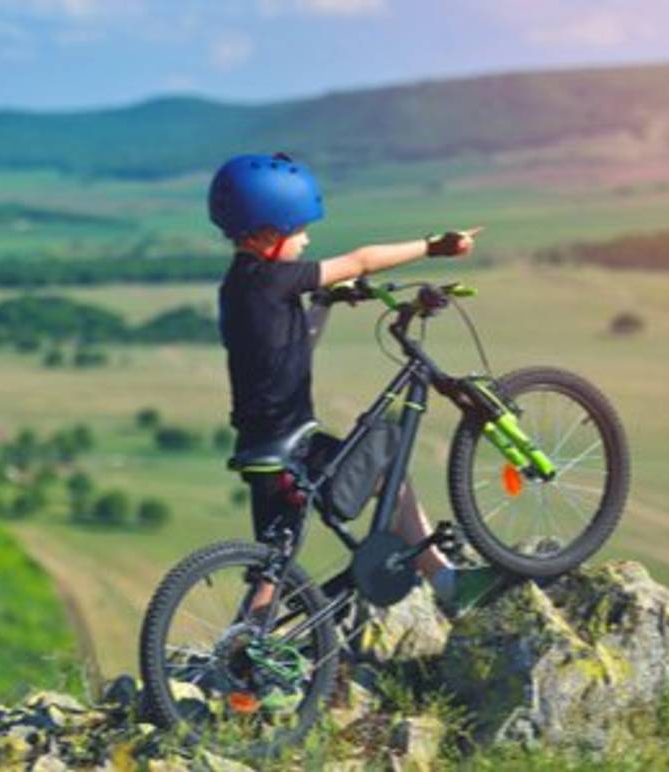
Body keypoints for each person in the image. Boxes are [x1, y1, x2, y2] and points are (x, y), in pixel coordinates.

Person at [210, 152, 498, 620]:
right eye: (299, 229)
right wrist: (433, 246)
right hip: (294, 450)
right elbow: (361, 260)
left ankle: (245, 660)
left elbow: (296, 347)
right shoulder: (276, 279)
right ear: (267, 233)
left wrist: (322, 302)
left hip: (263, 450)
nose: (306, 239)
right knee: (386, 442)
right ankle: (444, 579)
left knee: (273, 566)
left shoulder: (238, 289)